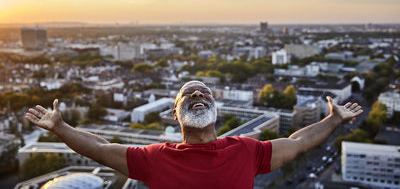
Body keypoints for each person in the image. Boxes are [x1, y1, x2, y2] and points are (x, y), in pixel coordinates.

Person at [25, 80, 363, 189]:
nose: (198, 95)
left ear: (217, 109)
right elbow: (100, 146)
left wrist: (333, 119)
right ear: (175, 113)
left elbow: (298, 142)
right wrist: (60, 127)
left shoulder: (246, 150)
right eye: (189, 94)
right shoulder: (155, 159)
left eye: (205, 93)